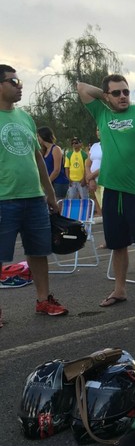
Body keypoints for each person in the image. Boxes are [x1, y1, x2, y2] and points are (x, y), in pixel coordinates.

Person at [77, 74, 135, 308]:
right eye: (116, 93)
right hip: (112, 192)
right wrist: (104, 97)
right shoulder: (102, 113)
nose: (123, 96)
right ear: (108, 95)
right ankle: (119, 290)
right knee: (117, 244)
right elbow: (82, 88)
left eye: (126, 92)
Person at [0, 64, 69, 315]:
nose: (20, 86)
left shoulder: (25, 118)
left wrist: (50, 194)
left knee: (39, 252)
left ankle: (44, 300)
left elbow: (38, 159)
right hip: (3, 200)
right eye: (14, 81)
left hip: (35, 198)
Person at [37, 126, 70, 199]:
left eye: (38, 136)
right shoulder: (44, 151)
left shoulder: (55, 149)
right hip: (50, 182)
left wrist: (47, 182)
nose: (37, 138)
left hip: (59, 183)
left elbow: (56, 170)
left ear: (43, 136)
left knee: (58, 204)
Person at [85, 128, 104, 216]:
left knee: (106, 207)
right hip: (95, 182)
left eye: (100, 129)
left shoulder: (111, 145)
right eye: (97, 129)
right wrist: (91, 179)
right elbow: (88, 164)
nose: (98, 132)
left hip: (106, 181)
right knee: (100, 207)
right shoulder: (94, 146)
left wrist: (91, 176)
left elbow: (107, 165)